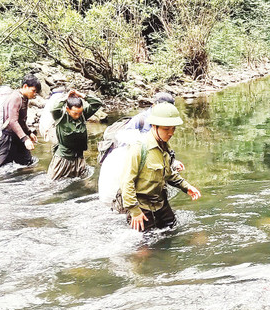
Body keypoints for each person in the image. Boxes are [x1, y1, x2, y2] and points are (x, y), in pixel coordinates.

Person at [119, 102, 201, 231]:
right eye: (166, 129)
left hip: (161, 204)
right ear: (154, 126)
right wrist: (135, 211)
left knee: (175, 232)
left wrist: (186, 187)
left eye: (173, 128)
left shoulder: (164, 146)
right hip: (142, 207)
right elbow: (126, 181)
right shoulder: (139, 147)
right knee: (145, 248)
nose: (171, 133)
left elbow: (168, 173)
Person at [47, 89, 103, 180]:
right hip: (63, 158)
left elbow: (98, 103)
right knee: (51, 183)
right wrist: (66, 98)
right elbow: (54, 108)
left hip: (79, 158)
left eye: (80, 113)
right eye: (75, 113)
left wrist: (82, 95)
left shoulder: (83, 115)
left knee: (81, 182)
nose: (78, 115)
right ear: (67, 109)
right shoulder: (60, 117)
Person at [0, 75, 41, 167]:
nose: (35, 94)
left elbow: (21, 120)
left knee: (27, 163)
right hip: (9, 137)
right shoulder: (15, 98)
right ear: (25, 86)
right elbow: (13, 121)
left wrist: (29, 133)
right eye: (33, 90)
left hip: (18, 136)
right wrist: (25, 139)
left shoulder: (24, 98)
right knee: (2, 167)